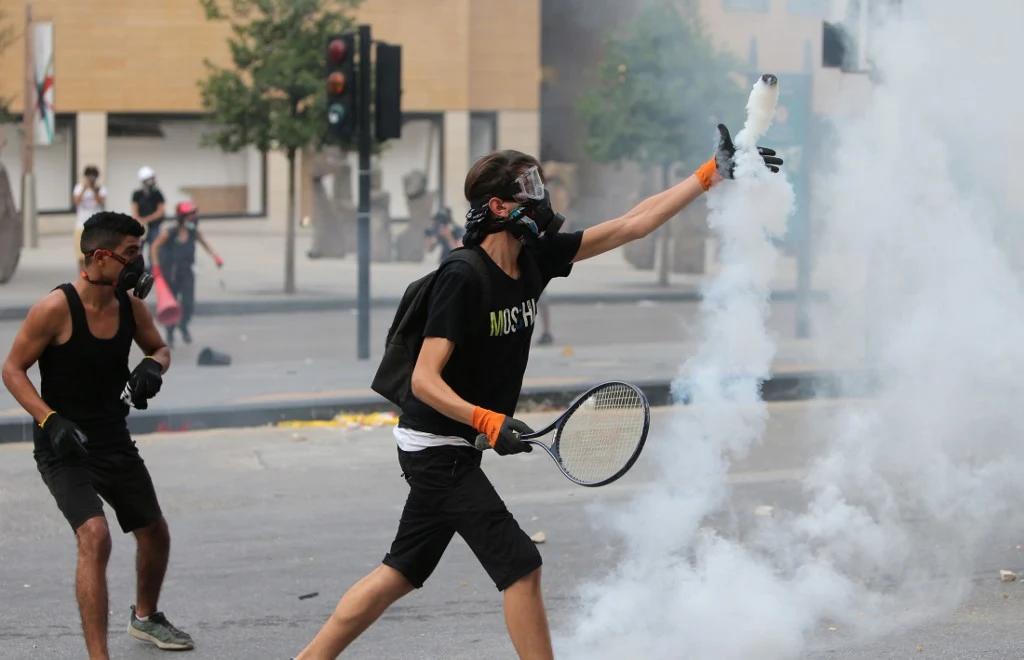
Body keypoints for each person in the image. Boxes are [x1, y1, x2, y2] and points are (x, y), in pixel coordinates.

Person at [293, 127, 782, 660]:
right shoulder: (463, 276)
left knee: (400, 573)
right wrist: (486, 420)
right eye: (530, 188)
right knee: (521, 566)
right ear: (498, 205)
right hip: (436, 449)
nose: (542, 198)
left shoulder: (534, 259)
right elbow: (423, 380)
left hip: (455, 444)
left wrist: (710, 175)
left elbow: (630, 225)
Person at [0, 211, 195, 658]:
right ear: (101, 257)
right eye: (130, 254)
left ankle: (146, 618)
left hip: (112, 438)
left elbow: (160, 347)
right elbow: (12, 370)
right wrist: (50, 419)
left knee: (155, 532)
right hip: (63, 444)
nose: (138, 263)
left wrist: (152, 367)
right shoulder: (54, 309)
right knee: (95, 536)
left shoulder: (131, 307)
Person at [150, 201, 223, 348]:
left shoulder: (193, 232)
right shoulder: (170, 232)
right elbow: (154, 246)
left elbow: (205, 243)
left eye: (194, 214)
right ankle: (170, 334)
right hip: (171, 272)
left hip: (187, 272)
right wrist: (156, 267)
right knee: (172, 305)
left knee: (188, 304)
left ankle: (183, 326)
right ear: (182, 217)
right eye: (190, 215)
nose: (194, 217)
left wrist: (215, 257)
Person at [72, 165, 107, 271]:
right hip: (81, 224)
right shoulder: (79, 188)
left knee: (94, 254)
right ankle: (82, 277)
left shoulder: (101, 189)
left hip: (95, 226)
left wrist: (93, 189)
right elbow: (76, 201)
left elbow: (100, 201)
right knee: (80, 255)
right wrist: (85, 187)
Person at [130, 166, 166, 267]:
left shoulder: (157, 193)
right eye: (149, 179)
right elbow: (134, 211)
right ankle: (138, 269)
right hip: (141, 226)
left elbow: (161, 211)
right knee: (138, 249)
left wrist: (146, 219)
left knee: (154, 248)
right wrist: (140, 221)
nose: (152, 181)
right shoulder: (137, 194)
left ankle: (154, 270)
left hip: (154, 226)